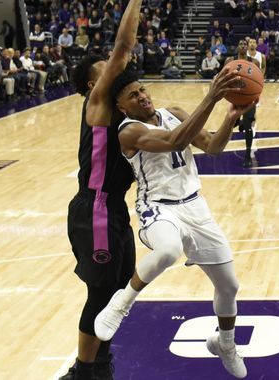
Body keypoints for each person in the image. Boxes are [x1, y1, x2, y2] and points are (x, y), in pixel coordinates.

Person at [93, 67, 249, 378]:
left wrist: (230, 117)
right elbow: (176, 141)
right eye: (133, 95)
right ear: (122, 106)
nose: (142, 97)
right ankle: (121, 303)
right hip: (158, 208)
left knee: (229, 285)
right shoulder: (128, 131)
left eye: (143, 90)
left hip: (195, 207)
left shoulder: (174, 112)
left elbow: (213, 146)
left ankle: (225, 344)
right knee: (167, 250)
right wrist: (210, 98)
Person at [59, 0, 144, 378]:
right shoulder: (97, 105)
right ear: (95, 84)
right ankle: (82, 371)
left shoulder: (123, 113)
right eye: (109, 69)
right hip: (94, 208)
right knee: (100, 294)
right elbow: (124, 48)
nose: (119, 69)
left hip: (114, 209)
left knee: (118, 294)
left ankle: (101, 364)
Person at [225, 39, 261, 168]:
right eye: (241, 44)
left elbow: (259, 81)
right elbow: (224, 77)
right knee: (233, 122)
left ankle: (247, 154)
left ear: (247, 48)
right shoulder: (230, 61)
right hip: (234, 96)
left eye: (245, 44)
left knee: (248, 126)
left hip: (249, 97)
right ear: (237, 47)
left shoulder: (254, 62)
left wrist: (256, 95)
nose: (243, 46)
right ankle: (239, 123)